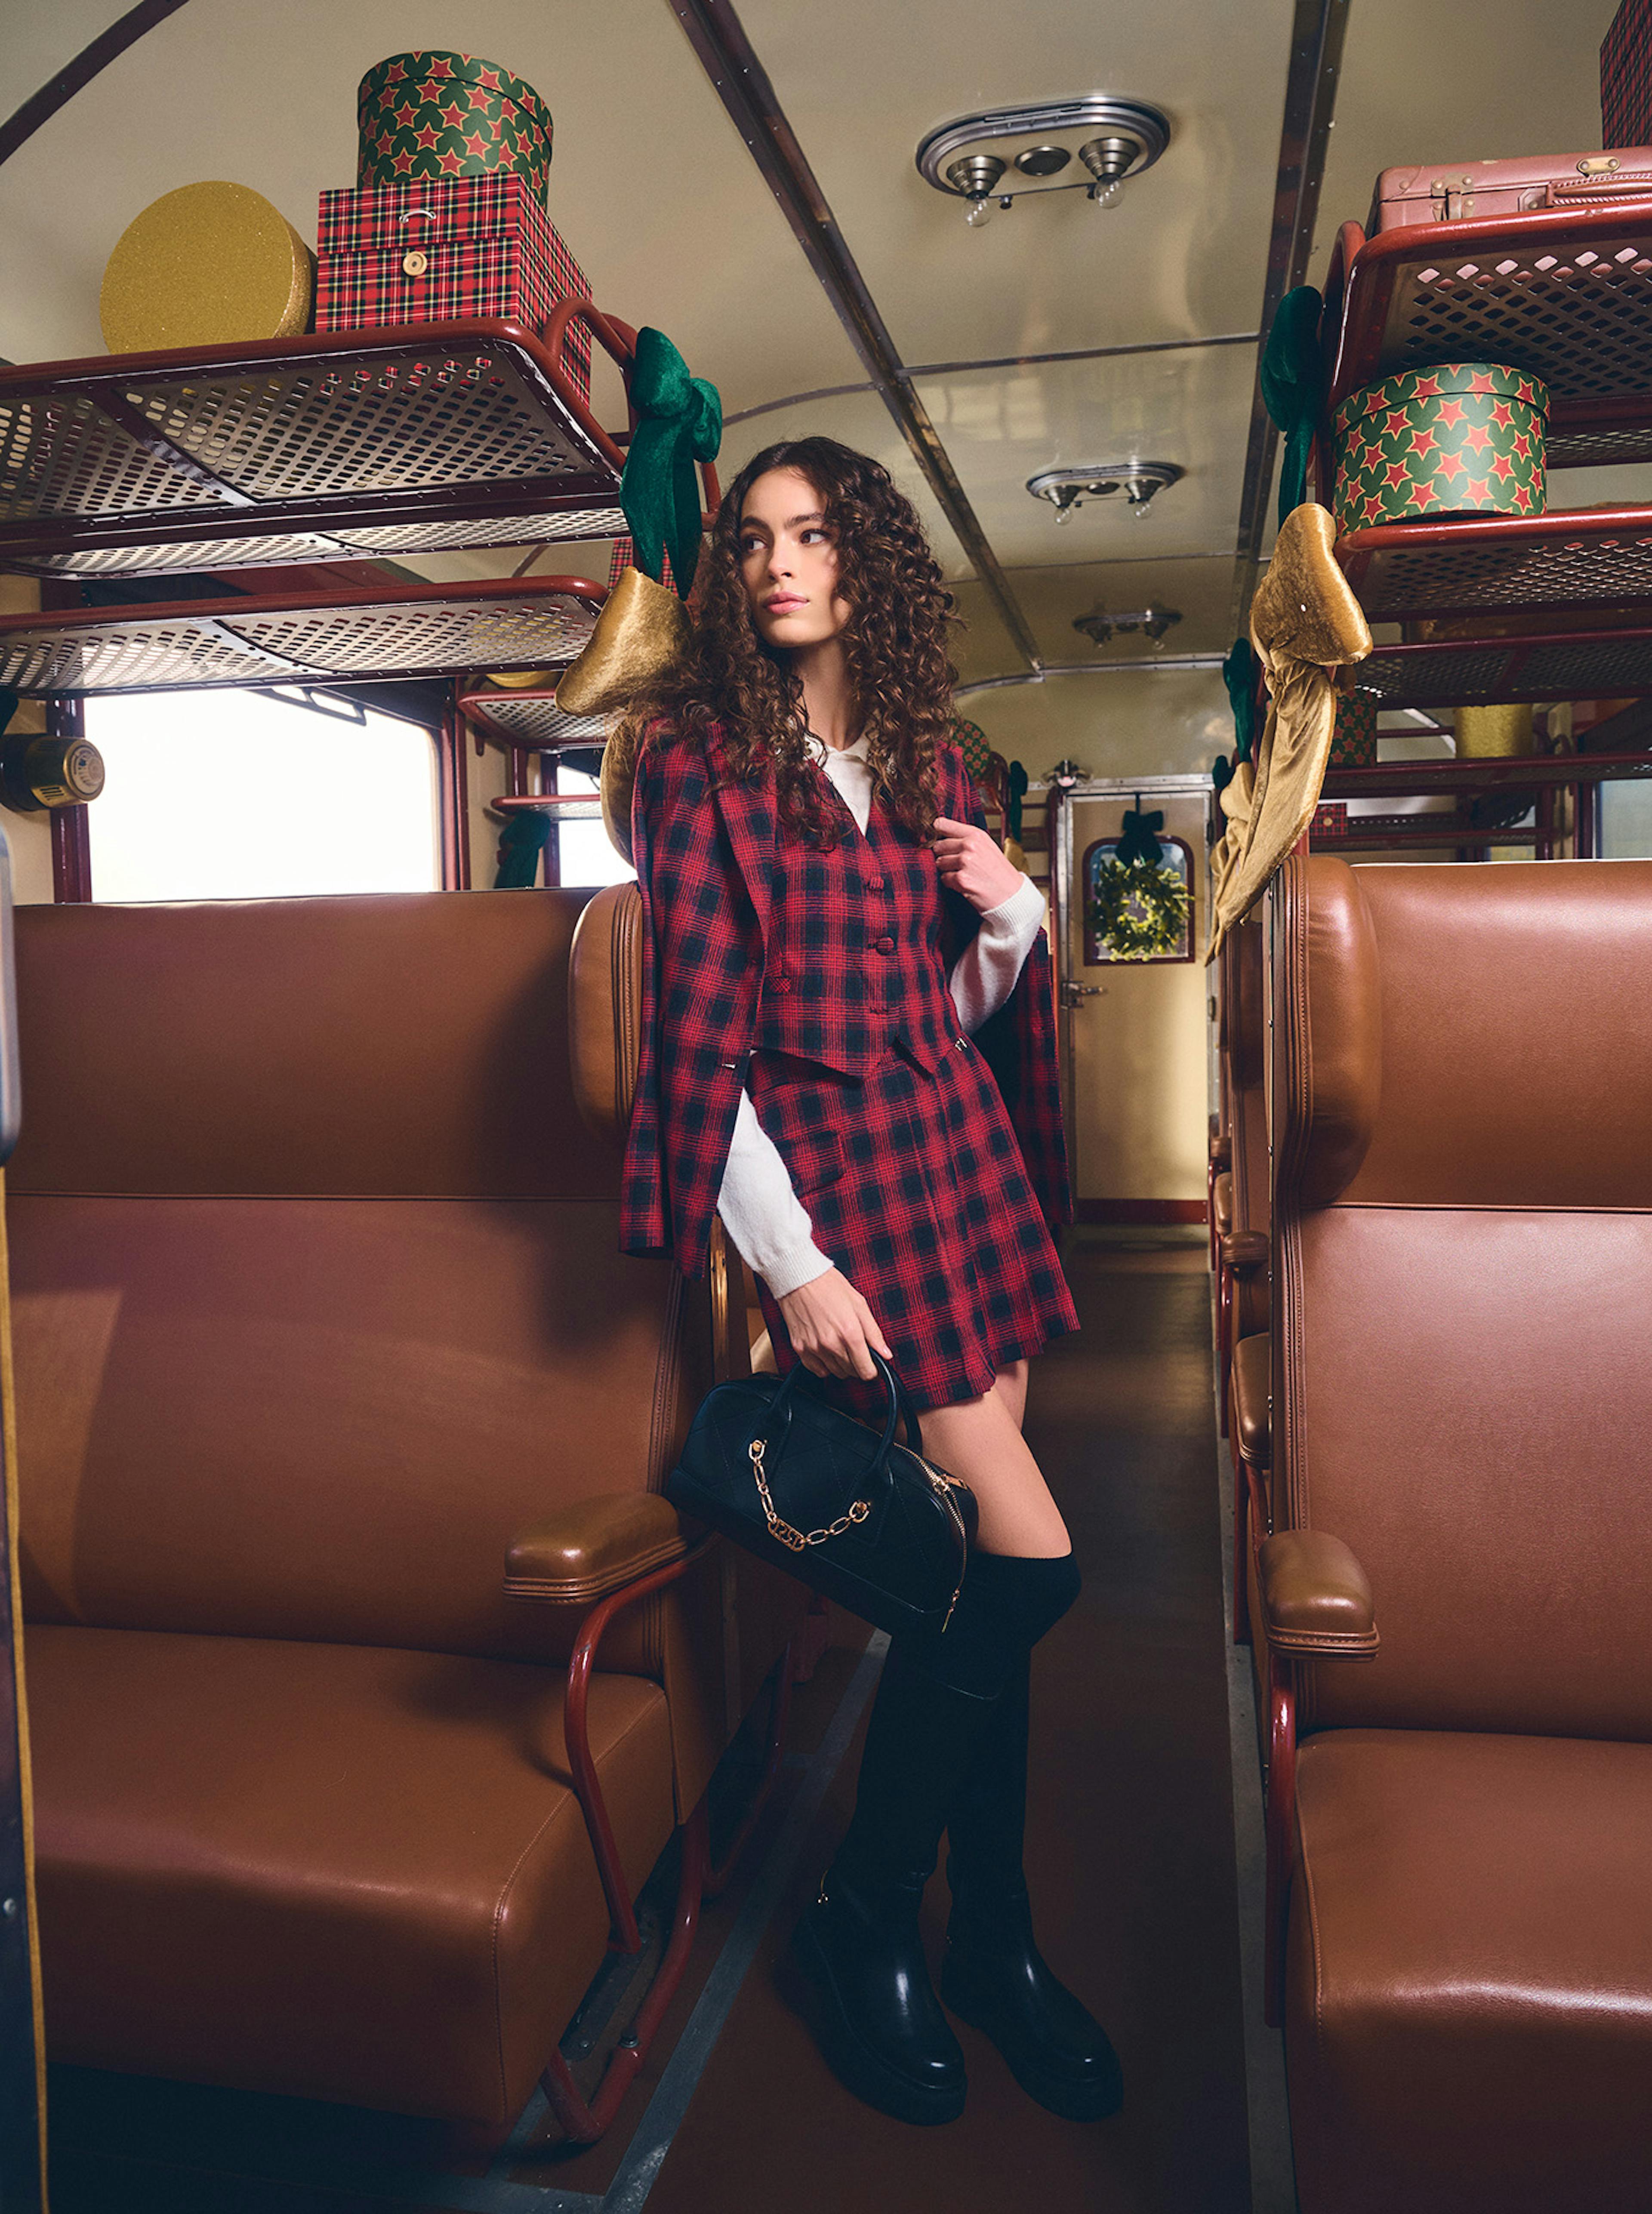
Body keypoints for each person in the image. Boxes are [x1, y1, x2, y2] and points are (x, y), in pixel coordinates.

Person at [617, 436, 1122, 2127]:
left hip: (956, 1159)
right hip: (844, 1190)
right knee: (1024, 1566)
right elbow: (707, 1048)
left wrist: (1011, 923)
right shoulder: (695, 765)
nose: (778, 564)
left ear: (865, 565)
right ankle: (867, 1918)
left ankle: (989, 1934)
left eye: (813, 535)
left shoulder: (937, 758)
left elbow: (943, 1024)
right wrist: (792, 1260)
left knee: (976, 1585)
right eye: (754, 539)